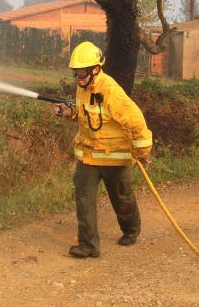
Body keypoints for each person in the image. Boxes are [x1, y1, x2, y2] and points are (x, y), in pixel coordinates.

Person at [51, 42, 153, 258]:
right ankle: (88, 245)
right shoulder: (82, 88)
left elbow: (135, 121)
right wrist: (68, 112)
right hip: (89, 155)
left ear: (95, 69)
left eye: (82, 71)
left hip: (114, 156)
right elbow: (84, 114)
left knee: (121, 196)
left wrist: (142, 150)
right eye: (75, 72)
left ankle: (131, 229)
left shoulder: (110, 89)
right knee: (84, 195)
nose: (78, 76)